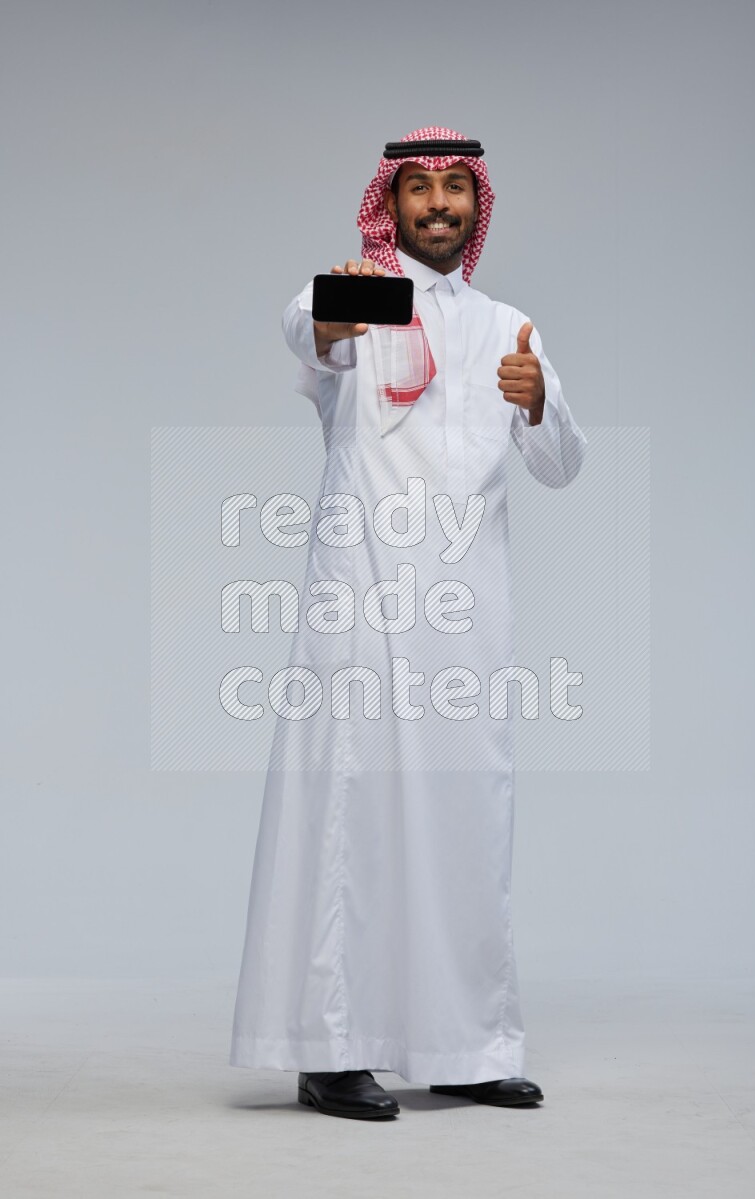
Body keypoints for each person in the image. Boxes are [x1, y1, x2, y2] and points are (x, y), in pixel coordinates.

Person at [229, 126, 587, 1120]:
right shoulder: (357, 291)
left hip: (465, 617)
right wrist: (339, 313)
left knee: (467, 820)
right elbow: (304, 329)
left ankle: (465, 1045)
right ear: (389, 203)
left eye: (453, 189)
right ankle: (328, 1047)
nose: (436, 203)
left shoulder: (509, 324)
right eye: (417, 188)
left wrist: (536, 402)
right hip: (361, 603)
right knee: (351, 813)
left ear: (477, 206)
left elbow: (561, 463)